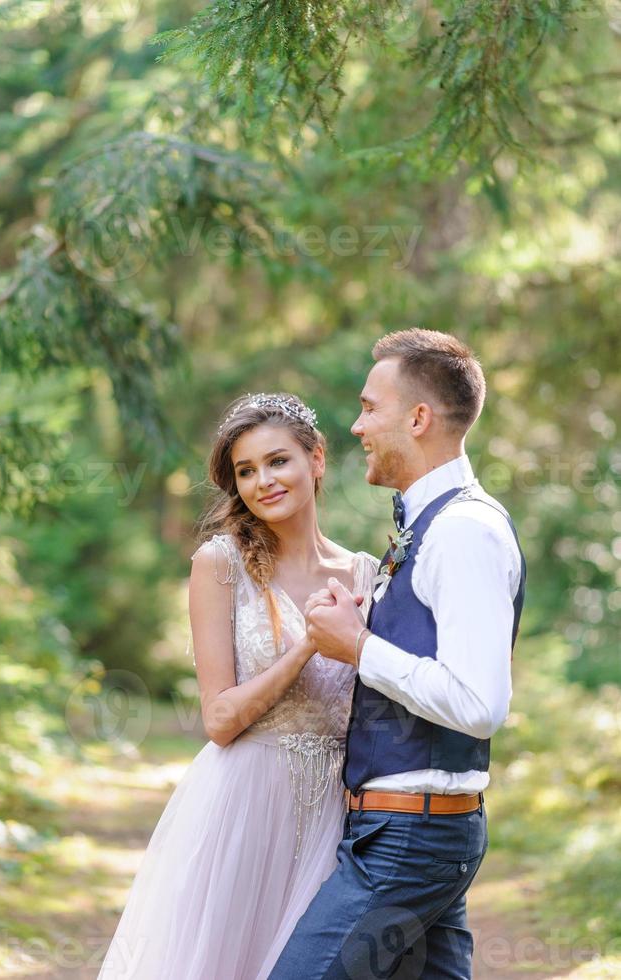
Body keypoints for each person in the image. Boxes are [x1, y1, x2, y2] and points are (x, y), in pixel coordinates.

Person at [269, 328, 527, 980]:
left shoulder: (463, 532)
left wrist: (359, 647)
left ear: (419, 418)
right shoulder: (431, 525)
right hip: (410, 833)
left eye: (369, 407)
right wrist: (364, 628)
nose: (357, 426)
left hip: (411, 840)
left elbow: (478, 703)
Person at [96, 392, 378, 980]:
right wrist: (307, 646)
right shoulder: (220, 562)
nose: (262, 482)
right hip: (243, 804)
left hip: (332, 812)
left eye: (278, 461)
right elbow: (220, 721)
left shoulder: (362, 573)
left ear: (317, 459)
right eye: (245, 471)